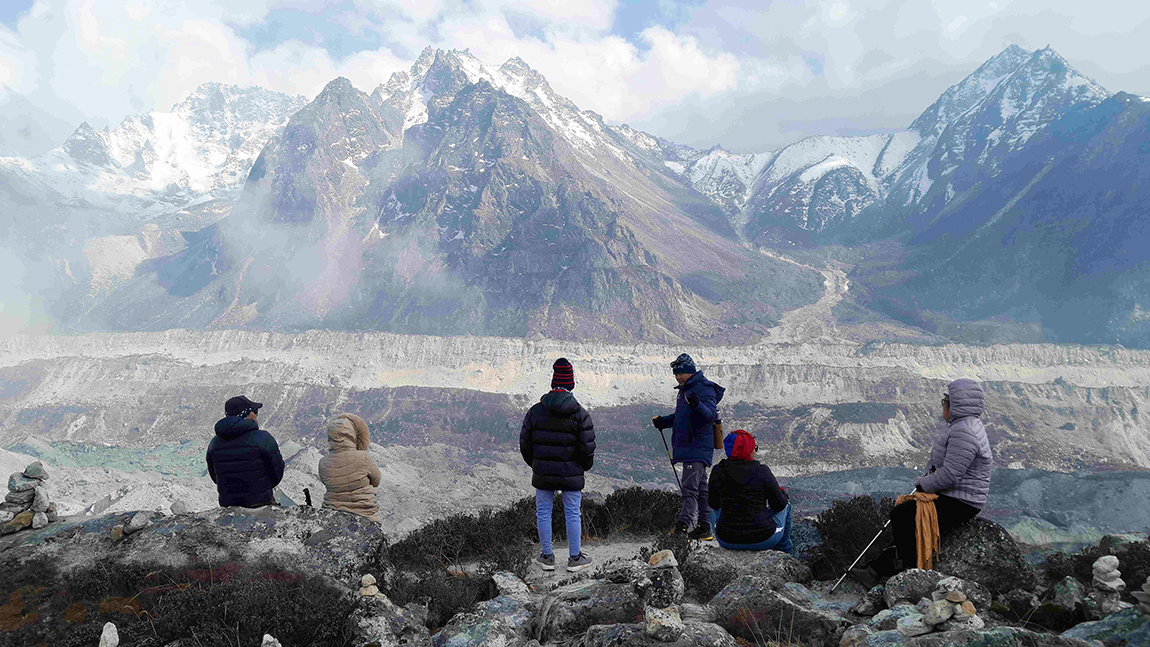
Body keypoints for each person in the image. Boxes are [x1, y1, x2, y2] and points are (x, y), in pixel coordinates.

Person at [870, 378, 993, 577]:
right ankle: (884, 565)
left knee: (903, 515)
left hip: (962, 501)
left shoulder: (965, 432)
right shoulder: (963, 426)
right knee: (905, 513)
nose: (943, 404)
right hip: (957, 495)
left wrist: (923, 484)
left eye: (946, 400)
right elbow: (943, 462)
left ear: (957, 405)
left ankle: (911, 572)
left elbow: (951, 474)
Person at [520, 358, 597, 572]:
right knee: (573, 513)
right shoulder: (581, 414)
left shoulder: (535, 411)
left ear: (553, 383)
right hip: (571, 472)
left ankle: (547, 557)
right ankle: (575, 558)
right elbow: (587, 447)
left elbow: (525, 443)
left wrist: (537, 464)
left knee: (543, 512)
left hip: (543, 471)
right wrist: (581, 467)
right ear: (571, 384)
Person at [652, 353, 725, 540]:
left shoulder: (703, 389)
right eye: (675, 374)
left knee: (689, 489)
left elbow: (709, 415)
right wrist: (664, 421)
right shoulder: (685, 390)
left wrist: (697, 404)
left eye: (681, 374)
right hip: (692, 446)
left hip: (697, 446)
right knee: (700, 489)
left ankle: (682, 528)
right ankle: (704, 527)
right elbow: (682, 418)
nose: (677, 377)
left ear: (690, 372)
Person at [708, 429, 793, 552]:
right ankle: (783, 550)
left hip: (727, 540)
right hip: (763, 539)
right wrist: (781, 493)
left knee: (713, 508)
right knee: (787, 506)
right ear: (748, 450)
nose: (754, 451)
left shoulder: (718, 471)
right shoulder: (761, 471)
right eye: (754, 448)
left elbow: (713, 504)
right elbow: (779, 505)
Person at [206, 395, 285, 508]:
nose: (256, 414)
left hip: (228, 505)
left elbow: (215, 477)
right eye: (255, 411)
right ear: (245, 414)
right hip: (260, 502)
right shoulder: (263, 438)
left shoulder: (214, 443)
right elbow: (277, 473)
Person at [318, 413, 383, 523]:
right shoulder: (363, 458)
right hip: (365, 517)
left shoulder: (323, 462)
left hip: (333, 517)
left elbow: (327, 483)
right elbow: (376, 481)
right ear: (351, 435)